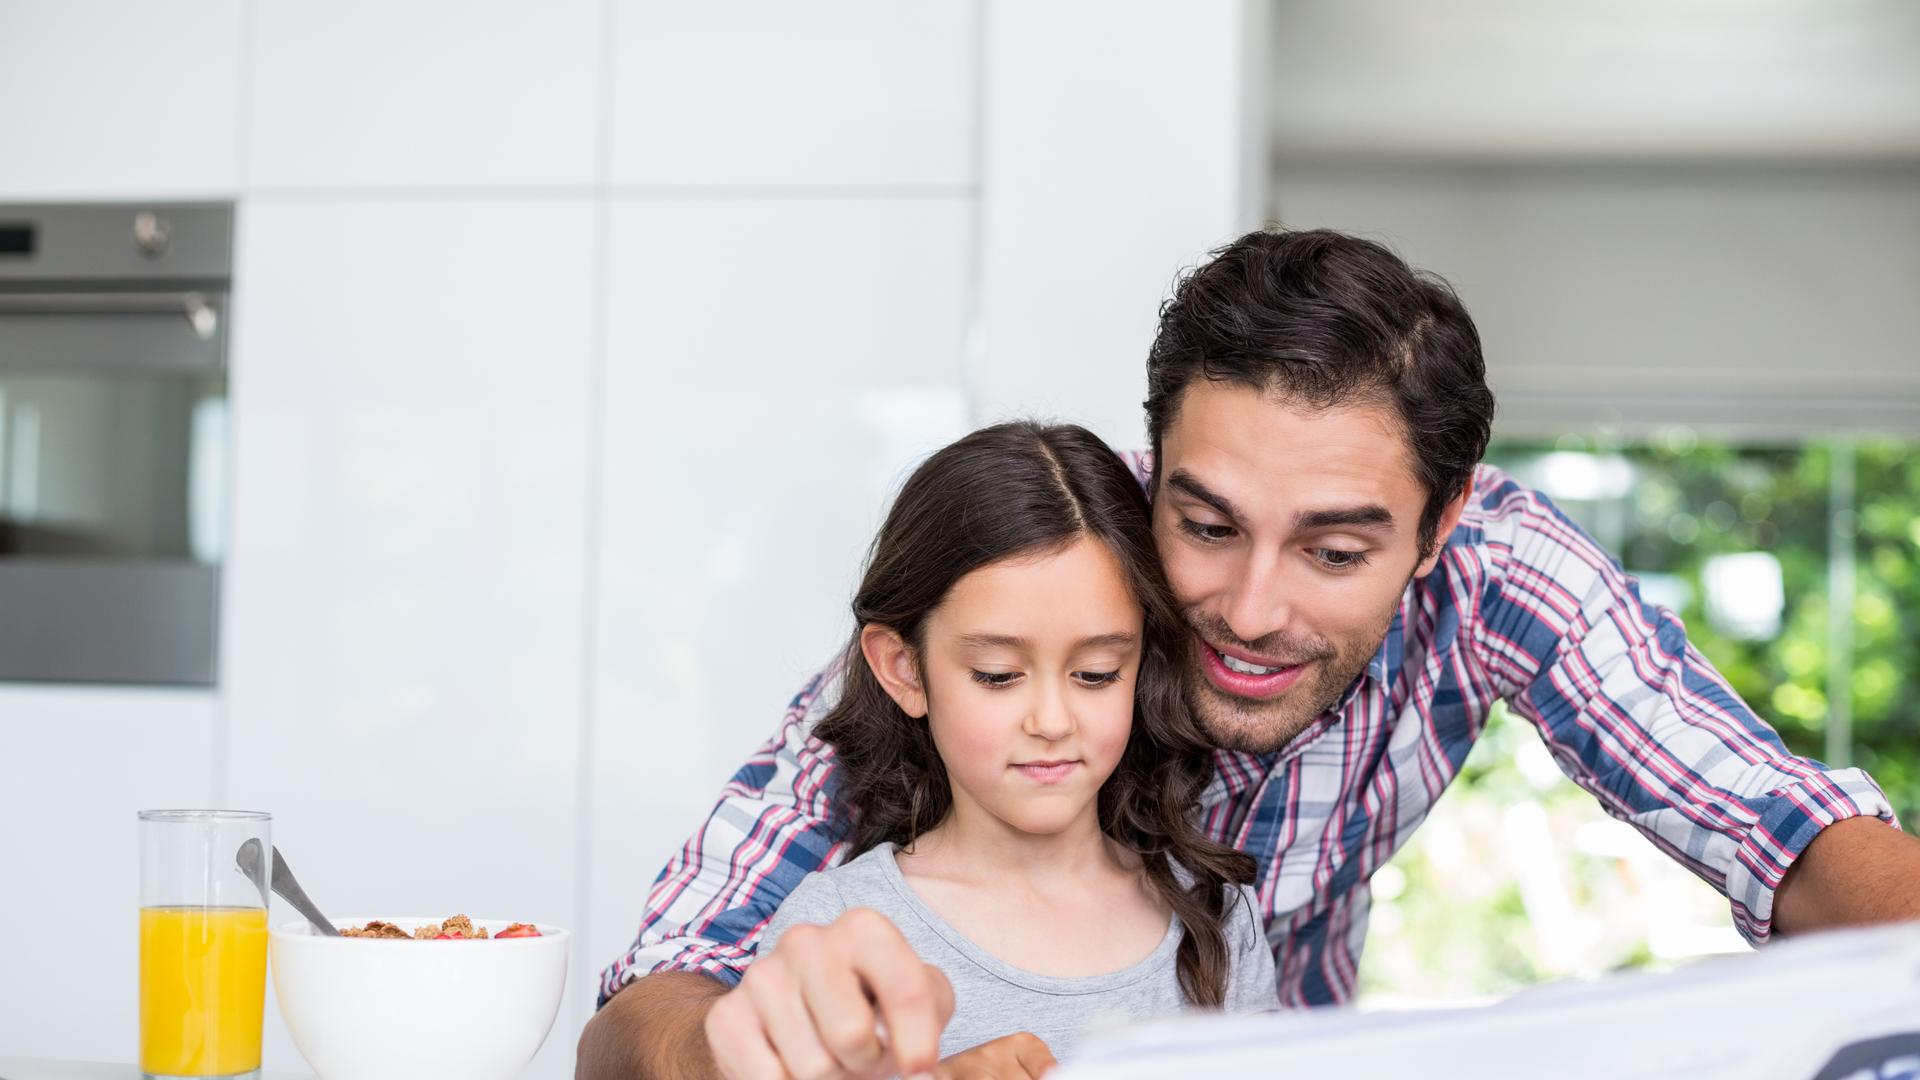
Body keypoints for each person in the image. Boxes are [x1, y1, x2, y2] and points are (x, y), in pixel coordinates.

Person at [577, 229, 1920, 1080]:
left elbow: (1778, 822)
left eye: (1336, 551)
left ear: (1440, 524)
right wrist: (743, 1057)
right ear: (1154, 461)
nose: (1251, 609)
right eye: (1205, 522)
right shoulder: (1038, 583)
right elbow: (654, 995)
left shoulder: (1501, 568)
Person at [751, 421, 1276, 1078]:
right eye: (998, 675)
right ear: (905, 670)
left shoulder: (1218, 920)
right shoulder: (835, 933)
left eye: (1096, 675)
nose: (1052, 720)